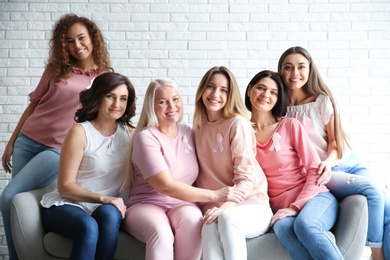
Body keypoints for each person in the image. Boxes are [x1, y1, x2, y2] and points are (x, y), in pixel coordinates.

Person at [0, 13, 112, 260]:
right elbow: (34, 105)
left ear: (92, 38)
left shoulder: (104, 78)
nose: (77, 46)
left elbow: (105, 118)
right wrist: (11, 141)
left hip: (57, 150)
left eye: (81, 38)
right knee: (18, 204)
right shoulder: (56, 69)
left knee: (7, 196)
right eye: (69, 41)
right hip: (27, 140)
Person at [277, 46, 386, 260]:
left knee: (387, 208)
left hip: (342, 160)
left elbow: (335, 142)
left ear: (310, 69)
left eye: (301, 67)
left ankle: (378, 254)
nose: (294, 73)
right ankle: (376, 255)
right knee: (373, 190)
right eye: (288, 68)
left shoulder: (320, 100)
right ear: (280, 71)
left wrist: (328, 161)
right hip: (322, 171)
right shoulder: (279, 108)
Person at [122, 78, 245, 260]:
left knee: (195, 222)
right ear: (152, 106)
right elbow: (165, 186)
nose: (171, 106)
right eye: (163, 102)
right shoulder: (146, 137)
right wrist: (216, 195)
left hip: (182, 204)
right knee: (161, 232)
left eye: (175, 99)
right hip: (146, 203)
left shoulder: (189, 132)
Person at [245, 69, 343, 259]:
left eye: (273, 92)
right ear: (249, 90)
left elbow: (315, 170)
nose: (266, 95)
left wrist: (295, 207)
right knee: (281, 227)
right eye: (261, 88)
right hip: (280, 209)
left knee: (305, 224)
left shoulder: (290, 126)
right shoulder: (241, 132)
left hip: (315, 198)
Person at [40, 72, 135, 259]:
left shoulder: (130, 134)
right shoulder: (80, 132)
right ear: (98, 96)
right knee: (88, 226)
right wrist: (104, 198)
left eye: (123, 98)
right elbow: (65, 187)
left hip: (104, 207)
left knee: (111, 216)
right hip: (68, 204)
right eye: (110, 96)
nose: (117, 104)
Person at [192, 66, 273, 260]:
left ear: (231, 95)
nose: (215, 94)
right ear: (202, 90)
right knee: (208, 224)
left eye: (223, 90)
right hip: (216, 209)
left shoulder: (238, 124)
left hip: (253, 207)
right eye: (210, 87)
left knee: (225, 218)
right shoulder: (196, 129)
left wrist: (223, 208)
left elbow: (246, 180)